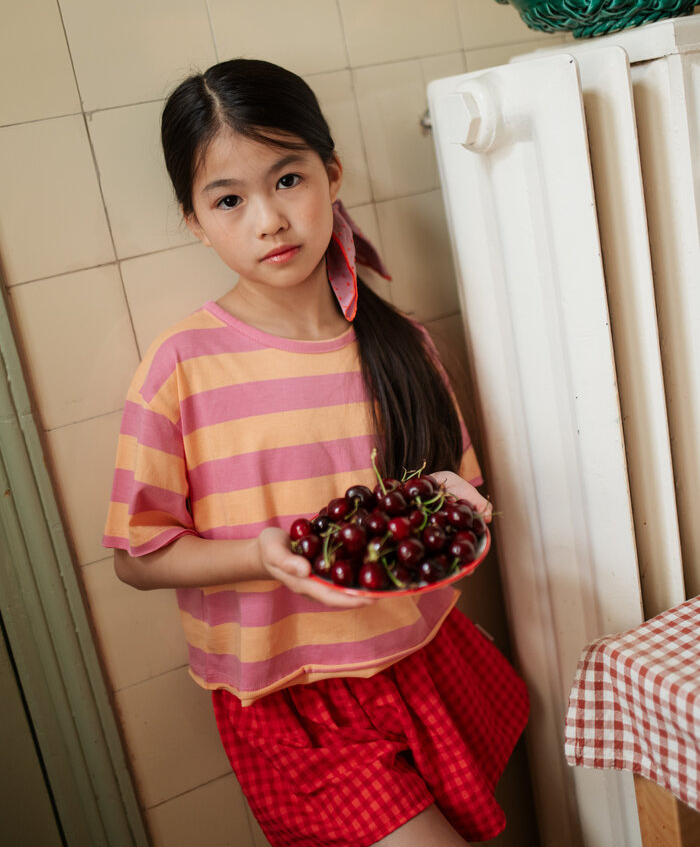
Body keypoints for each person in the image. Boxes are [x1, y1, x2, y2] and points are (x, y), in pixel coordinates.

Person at [104, 58, 528, 846]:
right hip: (292, 705)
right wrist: (260, 556)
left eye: (289, 180)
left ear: (331, 175)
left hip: (422, 661)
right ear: (195, 220)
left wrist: (455, 507)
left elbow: (457, 493)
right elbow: (138, 556)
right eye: (229, 200)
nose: (269, 220)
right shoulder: (180, 367)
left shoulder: (402, 345)